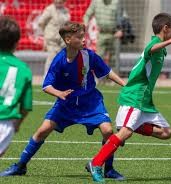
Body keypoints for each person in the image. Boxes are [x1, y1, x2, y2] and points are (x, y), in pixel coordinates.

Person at [0, 21, 125, 180]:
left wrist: (124, 85)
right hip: (66, 103)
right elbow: (46, 85)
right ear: (68, 40)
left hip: (90, 101)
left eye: (84, 36)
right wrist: (58, 93)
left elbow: (107, 72)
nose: (84, 40)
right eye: (80, 37)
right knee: (41, 131)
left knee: (107, 131)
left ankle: (108, 169)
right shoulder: (59, 60)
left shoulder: (89, 55)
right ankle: (20, 166)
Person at [86, 13, 171, 183]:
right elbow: (149, 50)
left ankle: (132, 126)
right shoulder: (154, 45)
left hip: (144, 101)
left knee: (166, 132)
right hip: (135, 97)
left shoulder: (161, 48)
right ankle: (95, 163)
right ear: (165, 28)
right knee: (124, 133)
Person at [0, 16, 32, 157]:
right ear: (16, 43)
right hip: (5, 125)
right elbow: (26, 106)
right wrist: (17, 124)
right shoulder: (23, 69)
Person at [83, 0, 123, 72]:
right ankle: (100, 77)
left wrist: (121, 30)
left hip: (114, 34)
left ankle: (113, 79)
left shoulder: (116, 2)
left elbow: (123, 17)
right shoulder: (95, 2)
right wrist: (85, 24)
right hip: (101, 33)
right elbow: (87, 14)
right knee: (99, 56)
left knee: (113, 57)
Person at [38, 0, 70, 77]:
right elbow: (41, 22)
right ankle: (47, 78)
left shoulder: (65, 10)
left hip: (62, 40)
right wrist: (46, 33)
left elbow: (66, 24)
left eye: (60, 2)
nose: (58, 4)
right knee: (51, 59)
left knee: (62, 60)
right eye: (56, 2)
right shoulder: (50, 10)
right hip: (52, 39)